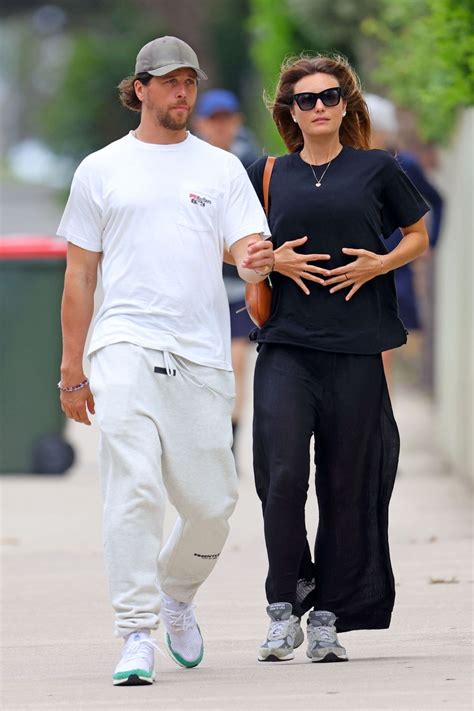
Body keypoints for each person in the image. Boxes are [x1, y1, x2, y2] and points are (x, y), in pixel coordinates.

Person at [57, 35, 273, 686]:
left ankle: (176, 594)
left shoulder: (220, 168)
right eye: (169, 81)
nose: (183, 91)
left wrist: (257, 260)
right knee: (135, 486)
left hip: (201, 354)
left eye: (190, 81)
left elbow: (245, 248)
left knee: (212, 505)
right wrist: (73, 369)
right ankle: (136, 630)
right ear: (141, 88)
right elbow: (78, 277)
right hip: (121, 345)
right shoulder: (100, 169)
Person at [246, 55, 429, 663]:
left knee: (347, 486)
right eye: (305, 100)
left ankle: (328, 614)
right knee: (282, 480)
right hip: (287, 348)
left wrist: (381, 263)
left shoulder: (378, 168)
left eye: (329, 96)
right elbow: (232, 247)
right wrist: (271, 260)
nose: (319, 106)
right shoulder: (267, 173)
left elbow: (418, 236)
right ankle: (283, 605)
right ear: (290, 112)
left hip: (355, 350)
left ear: (346, 104)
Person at [193, 89, 260, 451]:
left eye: (226, 119)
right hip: (197, 283)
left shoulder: (252, 163)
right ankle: (203, 440)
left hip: (236, 282)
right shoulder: (186, 162)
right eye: (213, 120)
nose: (220, 127)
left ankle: (229, 442)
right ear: (201, 123)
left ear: (237, 121)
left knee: (236, 362)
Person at [364, 94, 443, 386]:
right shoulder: (349, 165)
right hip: (361, 257)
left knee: (392, 330)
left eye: (371, 127)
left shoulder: (404, 164)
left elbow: (437, 199)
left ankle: (383, 400)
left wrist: (430, 243)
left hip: (399, 258)